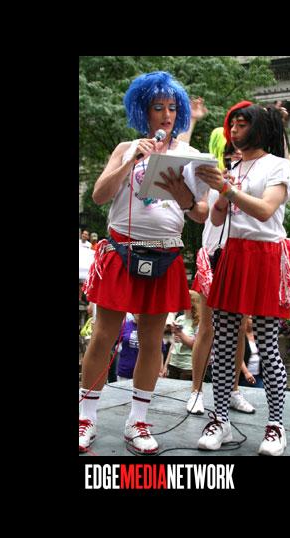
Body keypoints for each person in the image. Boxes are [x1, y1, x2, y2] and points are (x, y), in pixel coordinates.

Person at [78, 71, 211, 454]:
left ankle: (138, 421)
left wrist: (185, 197)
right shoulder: (126, 147)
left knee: (153, 340)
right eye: (158, 107)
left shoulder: (190, 156)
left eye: (172, 108)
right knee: (104, 335)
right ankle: (86, 418)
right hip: (121, 250)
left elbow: (201, 213)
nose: (166, 115)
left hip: (166, 253)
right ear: (144, 110)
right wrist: (130, 160)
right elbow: (100, 195)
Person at [193, 102, 290, 456]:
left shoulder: (278, 165)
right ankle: (220, 420)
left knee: (268, 346)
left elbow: (266, 210)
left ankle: (276, 427)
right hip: (234, 254)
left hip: (266, 256)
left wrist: (227, 190)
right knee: (224, 345)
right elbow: (216, 220)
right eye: (233, 125)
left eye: (241, 124)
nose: (234, 131)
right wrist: (220, 196)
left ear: (258, 128)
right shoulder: (232, 167)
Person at [187, 121, 255, 416]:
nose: (235, 151)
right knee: (208, 326)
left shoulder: (251, 175)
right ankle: (196, 391)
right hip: (214, 254)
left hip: (241, 255)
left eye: (239, 146)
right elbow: (200, 213)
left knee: (239, 327)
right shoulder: (209, 176)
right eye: (230, 147)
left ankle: (234, 391)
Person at [163, 290, 200, 380]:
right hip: (173, 363)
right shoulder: (179, 319)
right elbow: (172, 344)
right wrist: (166, 365)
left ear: (192, 302)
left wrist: (180, 334)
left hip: (188, 367)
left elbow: (197, 346)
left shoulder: (198, 322)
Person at [237, 316, 264, 388]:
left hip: (258, 376)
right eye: (251, 318)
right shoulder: (241, 335)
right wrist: (246, 372)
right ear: (245, 319)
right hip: (243, 376)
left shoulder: (259, 335)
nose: (253, 320)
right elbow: (238, 356)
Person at [115, 313, 140, 381]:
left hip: (144, 372)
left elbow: (159, 350)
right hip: (125, 372)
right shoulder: (124, 326)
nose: (139, 313)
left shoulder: (150, 328)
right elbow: (114, 343)